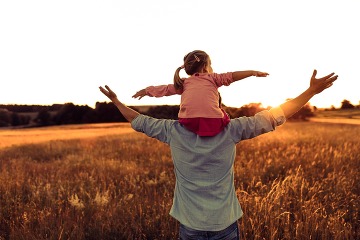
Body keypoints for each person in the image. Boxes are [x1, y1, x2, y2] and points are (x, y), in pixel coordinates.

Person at [99, 69, 338, 240]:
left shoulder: (171, 131)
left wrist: (116, 101)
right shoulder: (233, 130)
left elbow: (137, 120)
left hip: (190, 226)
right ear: (217, 105)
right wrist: (310, 92)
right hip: (224, 225)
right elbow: (277, 115)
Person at [132, 50, 269, 136]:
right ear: (205, 67)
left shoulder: (184, 83)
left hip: (187, 121)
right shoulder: (213, 78)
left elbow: (165, 89)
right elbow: (232, 76)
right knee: (223, 114)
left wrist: (147, 91)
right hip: (213, 121)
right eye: (210, 64)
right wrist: (252, 73)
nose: (212, 68)